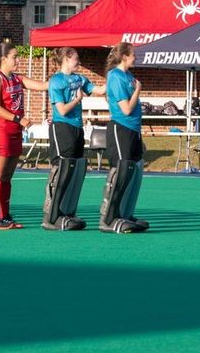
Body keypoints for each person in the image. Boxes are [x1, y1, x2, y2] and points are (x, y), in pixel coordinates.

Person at [0, 40, 48, 230]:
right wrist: (19, 119)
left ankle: (5, 216)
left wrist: (64, 76)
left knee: (7, 177)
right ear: (3, 59)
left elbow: (42, 86)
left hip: (14, 132)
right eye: (14, 57)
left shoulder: (17, 78)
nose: (18, 60)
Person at [43, 46, 106, 230]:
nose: (79, 61)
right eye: (76, 58)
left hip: (77, 128)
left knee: (76, 170)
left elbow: (99, 90)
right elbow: (61, 110)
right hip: (62, 128)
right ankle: (51, 215)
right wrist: (77, 100)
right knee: (61, 170)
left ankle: (67, 211)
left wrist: (114, 73)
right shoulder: (56, 81)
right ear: (67, 59)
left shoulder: (79, 79)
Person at [100, 42, 149, 233]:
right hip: (121, 128)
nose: (136, 57)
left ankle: (124, 213)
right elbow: (126, 109)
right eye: (133, 54)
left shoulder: (128, 76)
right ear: (124, 57)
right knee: (121, 172)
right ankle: (109, 218)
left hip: (133, 130)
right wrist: (137, 90)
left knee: (133, 172)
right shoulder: (116, 76)